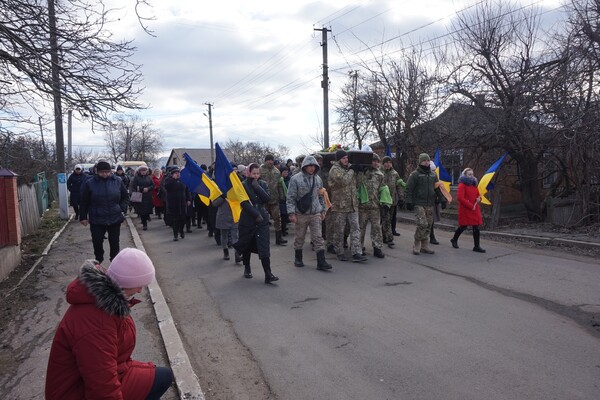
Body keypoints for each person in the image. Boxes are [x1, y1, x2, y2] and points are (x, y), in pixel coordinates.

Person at [45, 248, 173, 400]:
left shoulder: (103, 302)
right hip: (76, 392)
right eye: (139, 284)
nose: (140, 290)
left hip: (98, 375)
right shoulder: (97, 322)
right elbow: (101, 384)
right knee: (160, 379)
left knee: (162, 376)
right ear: (126, 280)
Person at [233, 163, 279, 284]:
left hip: (262, 219)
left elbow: (267, 199)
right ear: (248, 173)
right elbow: (244, 203)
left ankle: (268, 274)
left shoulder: (262, 184)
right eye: (254, 173)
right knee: (247, 244)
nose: (256, 176)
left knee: (264, 246)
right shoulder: (243, 185)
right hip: (248, 219)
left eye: (258, 173)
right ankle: (247, 268)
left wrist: (257, 187)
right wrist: (255, 214)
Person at [286, 155, 332, 271]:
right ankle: (298, 258)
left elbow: (321, 196)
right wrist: (291, 213)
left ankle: (321, 262)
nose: (311, 168)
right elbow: (290, 197)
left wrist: (323, 210)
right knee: (300, 237)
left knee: (318, 237)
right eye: (309, 166)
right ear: (304, 166)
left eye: (313, 166)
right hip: (301, 213)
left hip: (315, 212)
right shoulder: (295, 179)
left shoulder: (318, 179)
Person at [79, 160, 129, 264]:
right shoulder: (90, 183)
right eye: (102, 172)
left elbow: (125, 197)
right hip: (97, 217)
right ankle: (99, 261)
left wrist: (122, 208)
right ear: (97, 172)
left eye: (107, 171)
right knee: (97, 241)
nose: (105, 174)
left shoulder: (118, 181)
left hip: (115, 216)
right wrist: (83, 216)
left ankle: (115, 263)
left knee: (114, 242)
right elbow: (84, 201)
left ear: (111, 171)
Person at [328, 150, 368, 262]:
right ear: (338, 159)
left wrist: (360, 172)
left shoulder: (350, 168)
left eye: (347, 157)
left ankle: (356, 252)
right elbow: (343, 181)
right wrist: (352, 170)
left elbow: (359, 184)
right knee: (339, 230)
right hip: (340, 205)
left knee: (356, 228)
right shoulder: (335, 170)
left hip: (352, 204)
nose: (346, 160)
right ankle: (339, 251)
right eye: (343, 158)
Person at [405, 153, 444, 255]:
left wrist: (441, 198)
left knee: (429, 225)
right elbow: (408, 189)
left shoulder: (433, 174)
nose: (426, 162)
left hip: (430, 203)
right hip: (418, 203)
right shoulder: (415, 174)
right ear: (420, 162)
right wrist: (408, 201)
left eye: (427, 161)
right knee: (422, 224)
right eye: (424, 161)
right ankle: (417, 243)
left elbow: (437, 188)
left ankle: (424, 245)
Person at [357, 153, 387, 258]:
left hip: (375, 206)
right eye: (373, 161)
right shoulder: (362, 172)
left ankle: (377, 248)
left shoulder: (380, 175)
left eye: (377, 161)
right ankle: (358, 248)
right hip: (362, 206)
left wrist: (384, 202)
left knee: (376, 228)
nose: (375, 163)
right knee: (360, 228)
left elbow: (383, 189)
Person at [451, 168, 486, 253]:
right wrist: (470, 206)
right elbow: (460, 198)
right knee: (463, 226)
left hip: (475, 209)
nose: (471, 176)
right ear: (465, 175)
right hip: (466, 209)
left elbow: (478, 195)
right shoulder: (462, 185)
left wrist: (479, 199)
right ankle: (454, 239)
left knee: (476, 227)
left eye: (472, 174)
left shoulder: (474, 184)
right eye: (469, 174)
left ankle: (476, 246)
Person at [260, 154, 287, 245]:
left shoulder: (277, 171)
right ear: (265, 161)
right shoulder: (260, 170)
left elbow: (279, 185)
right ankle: (262, 237)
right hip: (263, 199)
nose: (270, 162)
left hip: (274, 199)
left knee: (277, 218)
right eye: (268, 160)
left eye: (271, 160)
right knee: (263, 219)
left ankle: (278, 238)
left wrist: (282, 196)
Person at [380, 156, 405, 246]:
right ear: (383, 164)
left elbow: (399, 186)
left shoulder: (395, 173)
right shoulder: (379, 172)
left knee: (388, 219)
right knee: (384, 219)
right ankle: (388, 238)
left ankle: (385, 237)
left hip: (392, 201)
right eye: (386, 162)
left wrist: (401, 198)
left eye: (390, 162)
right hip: (382, 201)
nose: (388, 164)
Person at [163, 167, 192, 241]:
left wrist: (188, 199)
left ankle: (181, 231)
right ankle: (175, 234)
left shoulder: (183, 181)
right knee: (175, 220)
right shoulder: (169, 181)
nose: (178, 174)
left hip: (182, 203)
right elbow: (166, 187)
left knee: (182, 219)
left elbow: (187, 190)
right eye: (176, 173)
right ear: (172, 174)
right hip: (173, 203)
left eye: (178, 173)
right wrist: (173, 179)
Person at [212, 195, 240, 261]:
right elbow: (214, 204)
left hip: (234, 216)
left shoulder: (235, 189)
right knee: (224, 235)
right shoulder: (218, 191)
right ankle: (225, 251)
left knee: (235, 236)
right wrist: (222, 197)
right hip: (223, 216)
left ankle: (237, 254)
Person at [129, 165, 154, 231]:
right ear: (139, 171)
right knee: (142, 212)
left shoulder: (149, 177)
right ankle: (144, 224)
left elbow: (152, 185)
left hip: (148, 196)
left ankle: (146, 218)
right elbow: (134, 186)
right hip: (140, 196)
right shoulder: (136, 178)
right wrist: (142, 189)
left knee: (148, 210)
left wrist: (148, 188)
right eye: (142, 170)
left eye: (145, 170)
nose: (143, 172)